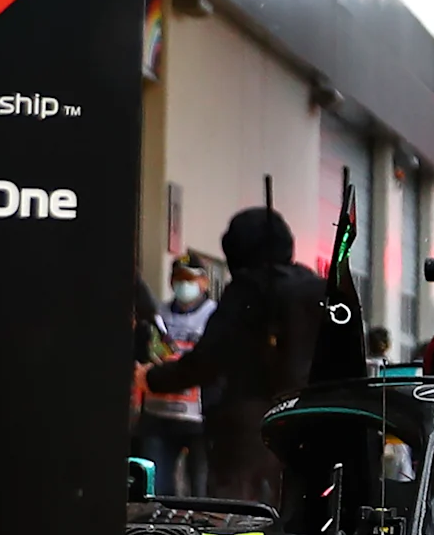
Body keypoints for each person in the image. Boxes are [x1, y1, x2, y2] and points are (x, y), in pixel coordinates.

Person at [143, 206, 327, 502]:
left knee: (236, 514)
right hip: (309, 420)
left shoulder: (247, 291)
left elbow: (210, 358)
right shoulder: (317, 289)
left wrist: (155, 377)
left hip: (248, 426)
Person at [136, 257, 215, 497]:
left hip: (199, 419)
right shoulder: (157, 315)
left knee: (201, 492)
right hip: (158, 414)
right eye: (179, 279)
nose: (184, 285)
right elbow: (141, 354)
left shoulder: (214, 316)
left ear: (203, 281)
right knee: (156, 490)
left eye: (190, 279)